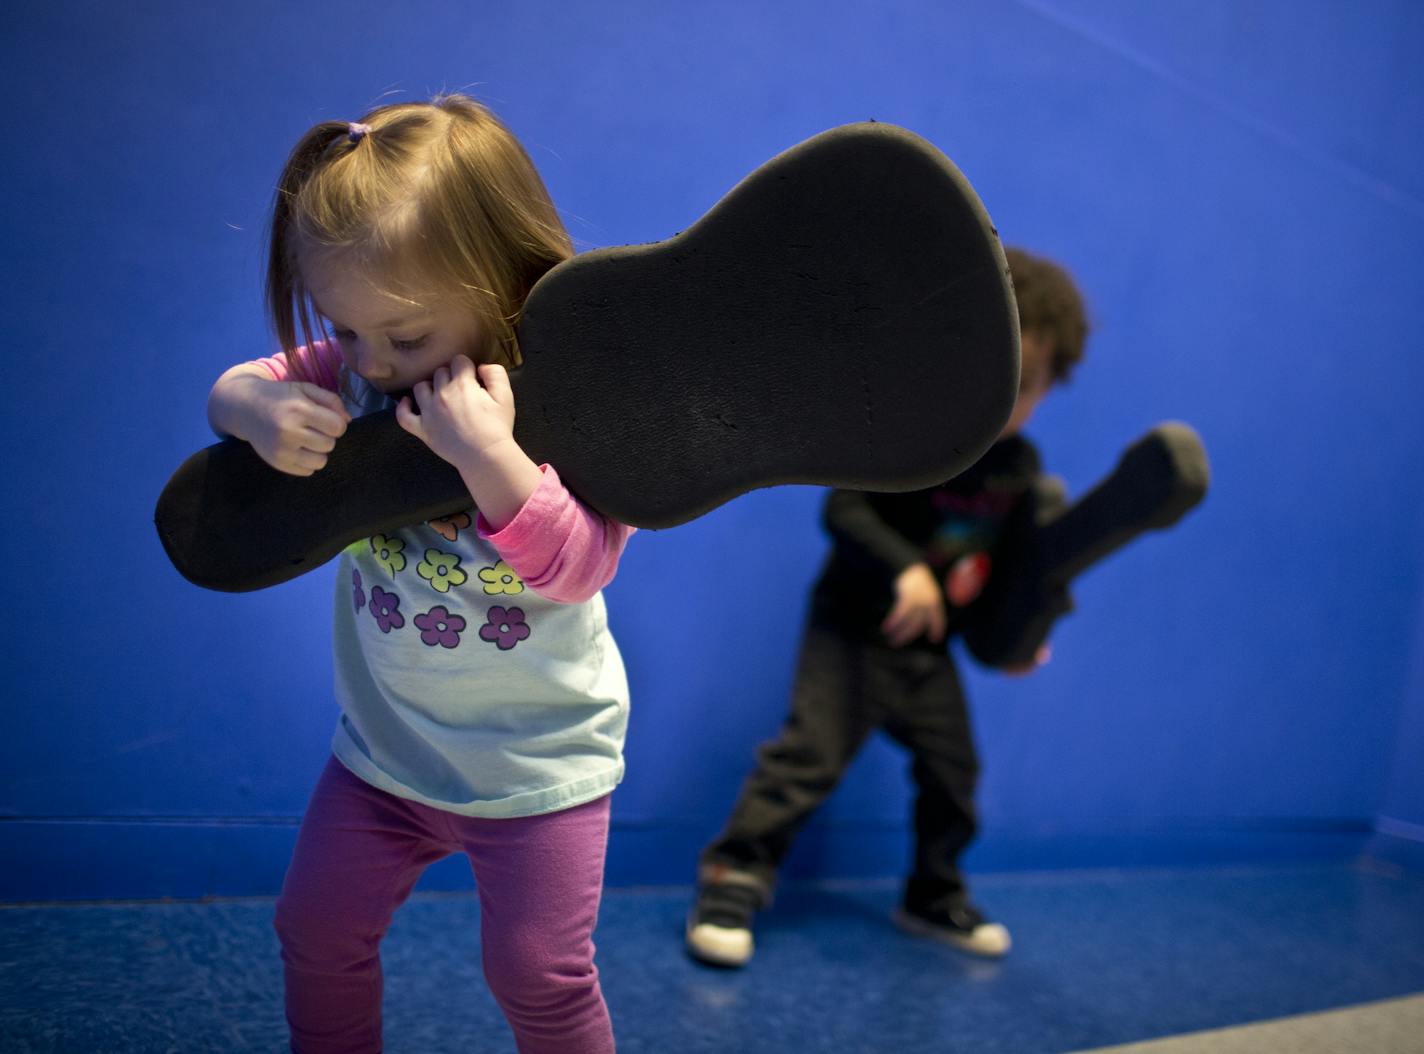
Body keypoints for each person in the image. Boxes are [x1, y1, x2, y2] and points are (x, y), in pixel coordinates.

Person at [205, 95, 630, 1054]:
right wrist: (254, 413)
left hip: (539, 768)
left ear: (503, 288)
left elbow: (580, 568)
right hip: (386, 755)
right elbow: (236, 386)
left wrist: (492, 461)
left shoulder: (580, 403)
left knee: (539, 977)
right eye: (346, 332)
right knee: (314, 933)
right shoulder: (357, 372)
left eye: (404, 339)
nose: (372, 366)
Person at [686, 247, 1089, 968]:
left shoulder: (1021, 474)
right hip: (852, 628)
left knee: (953, 772)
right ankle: (734, 874)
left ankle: (932, 896)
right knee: (807, 757)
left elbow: (1012, 581)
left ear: (1053, 386)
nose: (1002, 400)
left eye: (1024, 385)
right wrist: (907, 569)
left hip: (925, 649)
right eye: (990, 376)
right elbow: (844, 510)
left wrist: (1022, 640)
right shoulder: (909, 434)